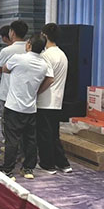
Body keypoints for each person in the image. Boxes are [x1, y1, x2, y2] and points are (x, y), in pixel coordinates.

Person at [1, 34, 54, 180]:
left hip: (13, 107)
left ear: (29, 45)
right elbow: (50, 79)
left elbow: (4, 69)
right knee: (30, 140)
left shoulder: (18, 58)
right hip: (30, 108)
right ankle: (28, 169)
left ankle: (8, 170)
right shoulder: (44, 64)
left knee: (12, 140)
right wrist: (38, 91)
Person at [37, 23, 72, 174]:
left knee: (44, 134)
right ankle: (63, 164)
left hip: (45, 100)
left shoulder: (45, 55)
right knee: (53, 134)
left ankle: (47, 165)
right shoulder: (62, 54)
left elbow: (48, 79)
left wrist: (37, 92)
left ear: (44, 36)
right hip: (57, 100)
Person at [0, 21, 28, 157]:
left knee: (8, 126)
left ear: (12, 32)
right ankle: (22, 153)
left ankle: (10, 154)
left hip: (8, 92)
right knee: (24, 126)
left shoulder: (7, 51)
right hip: (27, 92)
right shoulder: (29, 48)